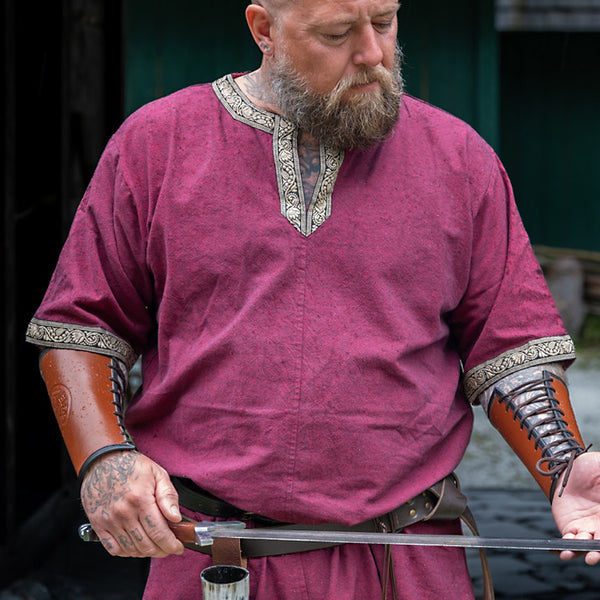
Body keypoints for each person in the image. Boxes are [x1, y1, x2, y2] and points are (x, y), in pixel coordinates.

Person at [26, 0, 600, 598]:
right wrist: (105, 459)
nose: (372, 54)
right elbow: (82, 324)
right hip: (210, 561)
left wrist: (562, 465)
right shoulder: (157, 144)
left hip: (403, 562)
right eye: (338, 32)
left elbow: (511, 344)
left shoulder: (459, 158)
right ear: (264, 29)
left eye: (384, 22)